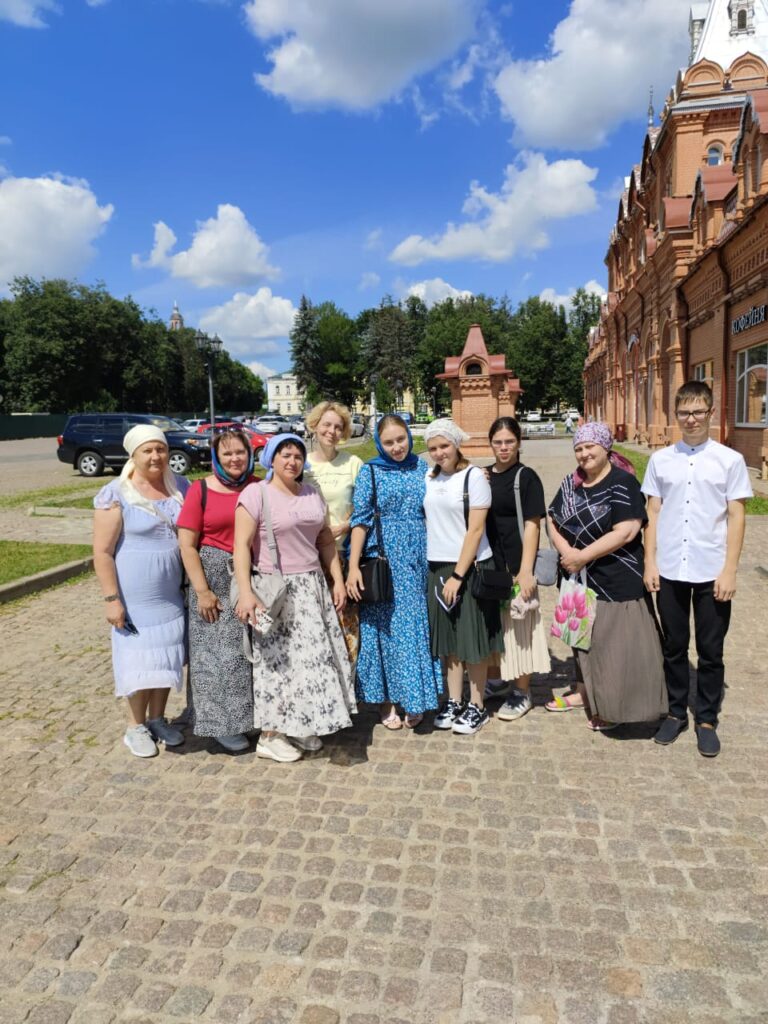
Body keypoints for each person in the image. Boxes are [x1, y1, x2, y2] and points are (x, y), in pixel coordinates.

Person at [643, 381, 752, 757]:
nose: (691, 419)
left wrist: (731, 570)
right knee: (674, 646)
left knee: (710, 649)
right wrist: (650, 561)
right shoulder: (660, 460)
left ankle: (706, 718)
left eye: (697, 412)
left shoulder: (729, 460)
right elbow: (653, 512)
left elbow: (737, 516)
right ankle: (676, 712)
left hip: (711, 568)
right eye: (684, 412)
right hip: (671, 566)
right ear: (676, 415)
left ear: (710, 413)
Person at [233, 433, 356, 762]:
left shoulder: (312, 494)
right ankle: (270, 734)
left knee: (313, 660)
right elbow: (241, 547)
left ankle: (301, 723)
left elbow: (325, 540)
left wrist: (338, 580)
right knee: (277, 662)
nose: (292, 461)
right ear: (271, 460)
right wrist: (245, 593)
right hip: (275, 590)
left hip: (312, 586)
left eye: (298, 456)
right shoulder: (256, 494)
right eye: (285, 455)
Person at [547, 422, 667, 731]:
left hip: (615, 576)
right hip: (576, 576)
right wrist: (567, 553)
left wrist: (583, 556)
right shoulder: (570, 483)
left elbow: (627, 531)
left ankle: (616, 707)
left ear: (606, 448)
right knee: (580, 641)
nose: (584, 453)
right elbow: (552, 519)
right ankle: (584, 693)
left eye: (590, 447)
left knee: (614, 646)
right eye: (578, 448)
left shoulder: (622, 482)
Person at [92, 425, 189, 757]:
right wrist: (111, 599)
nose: (155, 456)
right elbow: (102, 552)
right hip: (135, 600)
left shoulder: (181, 488)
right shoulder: (116, 493)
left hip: (170, 595)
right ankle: (135, 726)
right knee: (139, 662)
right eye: (147, 450)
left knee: (165, 659)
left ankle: (158, 718)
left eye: (160, 449)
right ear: (133, 454)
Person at [346, 415, 442, 729]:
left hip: (417, 560)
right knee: (384, 633)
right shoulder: (371, 471)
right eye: (388, 442)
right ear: (379, 443)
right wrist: (352, 568)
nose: (396, 447)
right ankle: (386, 701)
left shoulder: (422, 469)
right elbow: (359, 521)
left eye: (401, 439)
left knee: (412, 629)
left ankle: (415, 698)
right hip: (384, 562)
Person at [177, 429, 258, 754]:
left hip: (249, 578)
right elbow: (187, 545)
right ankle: (220, 724)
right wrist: (202, 591)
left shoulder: (256, 487)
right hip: (213, 581)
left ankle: (246, 717)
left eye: (240, 452)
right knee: (216, 658)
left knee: (246, 655)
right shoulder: (201, 490)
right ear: (216, 458)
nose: (235, 459)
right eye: (227, 454)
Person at [423, 419, 504, 736]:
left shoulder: (474, 478)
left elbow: (476, 529)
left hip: (468, 568)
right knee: (451, 641)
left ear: (456, 444)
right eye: (433, 448)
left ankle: (477, 704)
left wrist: (458, 574)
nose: (439, 453)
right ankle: (454, 700)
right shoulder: (429, 478)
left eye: (444, 446)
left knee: (473, 638)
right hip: (438, 566)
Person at [485, 417, 551, 721]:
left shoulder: (526, 477)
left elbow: (533, 524)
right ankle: (498, 681)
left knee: (520, 627)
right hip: (491, 565)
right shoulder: (484, 476)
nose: (503, 448)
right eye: (498, 442)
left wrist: (526, 570)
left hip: (516, 563)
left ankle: (522, 692)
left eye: (509, 441)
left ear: (519, 443)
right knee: (497, 626)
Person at [304, 401, 364, 664]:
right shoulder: (301, 463)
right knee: (313, 624)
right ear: (314, 426)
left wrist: (347, 525)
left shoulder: (353, 463)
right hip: (308, 555)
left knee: (345, 622)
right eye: (326, 424)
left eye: (338, 427)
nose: (332, 431)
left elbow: (364, 506)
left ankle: (347, 688)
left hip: (344, 551)